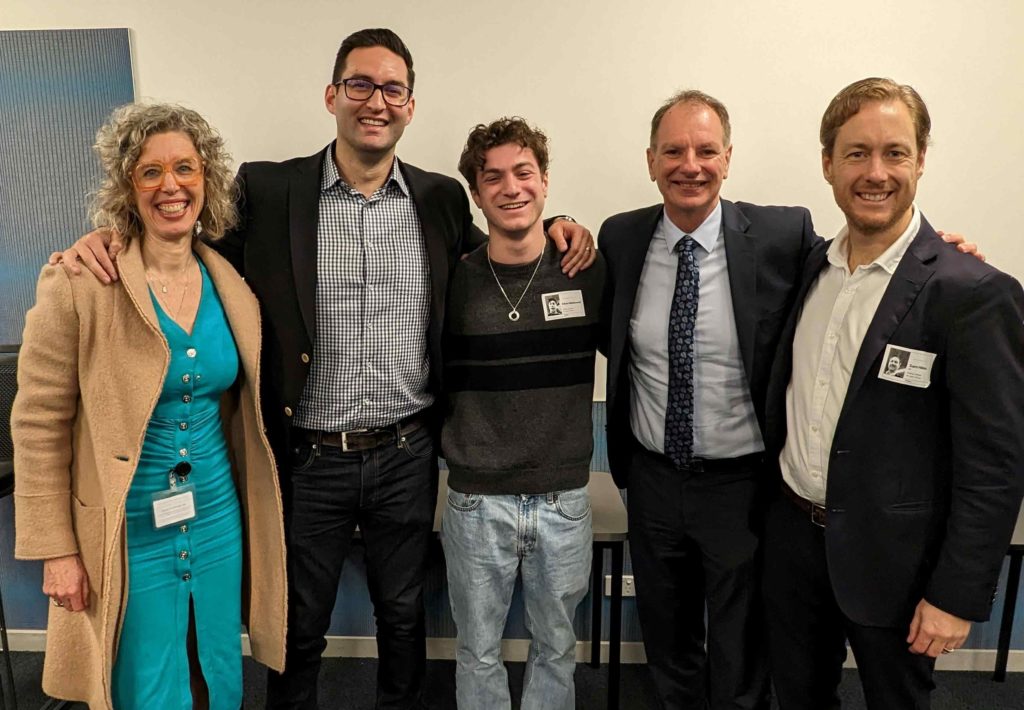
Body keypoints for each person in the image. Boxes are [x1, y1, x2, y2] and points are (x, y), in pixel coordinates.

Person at [54, 28, 594, 709]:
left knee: (402, 620)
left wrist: (563, 224)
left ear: (410, 106)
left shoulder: (439, 200)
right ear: (333, 95)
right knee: (298, 627)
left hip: (406, 450)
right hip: (308, 456)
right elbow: (179, 239)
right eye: (361, 85)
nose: (377, 100)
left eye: (392, 88)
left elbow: (507, 241)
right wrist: (109, 234)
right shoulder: (269, 188)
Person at [11, 103, 287, 709]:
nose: (171, 186)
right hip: (126, 525)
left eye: (185, 168)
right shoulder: (80, 282)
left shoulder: (232, 284)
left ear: (205, 180)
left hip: (217, 516)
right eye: (150, 172)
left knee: (213, 667)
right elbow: (36, 424)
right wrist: (56, 548)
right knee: (144, 680)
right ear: (127, 188)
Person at [761, 77, 1024, 709]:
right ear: (827, 164)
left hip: (899, 566)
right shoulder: (808, 269)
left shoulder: (971, 291)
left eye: (895, 152)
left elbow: (995, 464)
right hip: (794, 544)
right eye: (855, 153)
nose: (875, 172)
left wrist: (956, 595)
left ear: (921, 159)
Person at [598, 91, 816, 710]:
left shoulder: (781, 235)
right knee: (667, 637)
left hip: (742, 486)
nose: (689, 164)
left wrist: (936, 253)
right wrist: (560, 223)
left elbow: (856, 263)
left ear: (728, 158)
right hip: (653, 480)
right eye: (673, 150)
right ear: (650, 161)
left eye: (705, 150)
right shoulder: (622, 236)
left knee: (741, 643)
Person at [441, 117, 605, 709]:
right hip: (476, 500)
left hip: (563, 499)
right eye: (494, 178)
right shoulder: (450, 279)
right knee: (478, 650)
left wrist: (573, 225)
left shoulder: (587, 268)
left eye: (523, 173)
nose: (511, 188)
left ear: (544, 180)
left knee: (556, 648)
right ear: (477, 193)